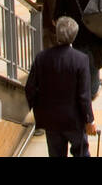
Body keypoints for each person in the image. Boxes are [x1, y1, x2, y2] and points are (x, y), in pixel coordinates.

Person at [25, 16, 96, 157]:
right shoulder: (81, 60)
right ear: (74, 36)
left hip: (51, 120)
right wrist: (89, 120)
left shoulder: (41, 58)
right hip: (74, 120)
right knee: (81, 153)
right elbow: (84, 96)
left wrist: (38, 110)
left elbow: (30, 88)